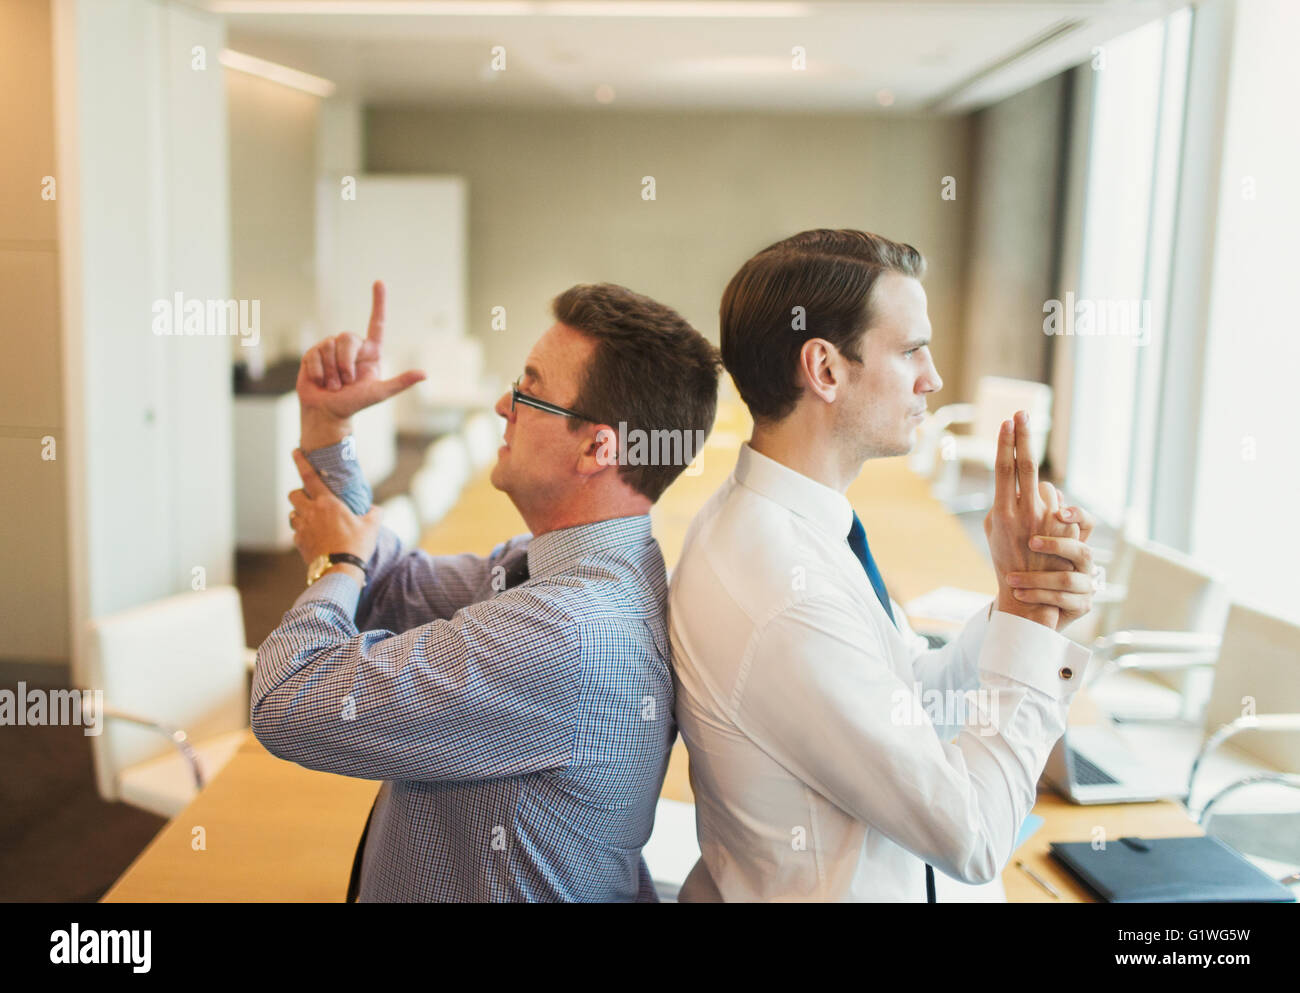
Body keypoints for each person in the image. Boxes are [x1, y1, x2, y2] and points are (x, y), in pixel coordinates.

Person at [251, 280, 721, 901]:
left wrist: (336, 564)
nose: (505, 404)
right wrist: (328, 428)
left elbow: (289, 699)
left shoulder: (567, 635)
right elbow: (388, 582)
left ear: (596, 448)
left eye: (530, 391)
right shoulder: (571, 570)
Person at [668, 229, 1099, 901]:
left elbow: (905, 707)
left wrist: (1018, 600)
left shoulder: (792, 528)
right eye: (910, 350)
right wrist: (1035, 632)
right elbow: (977, 835)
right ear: (826, 369)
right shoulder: (785, 590)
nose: (934, 377)